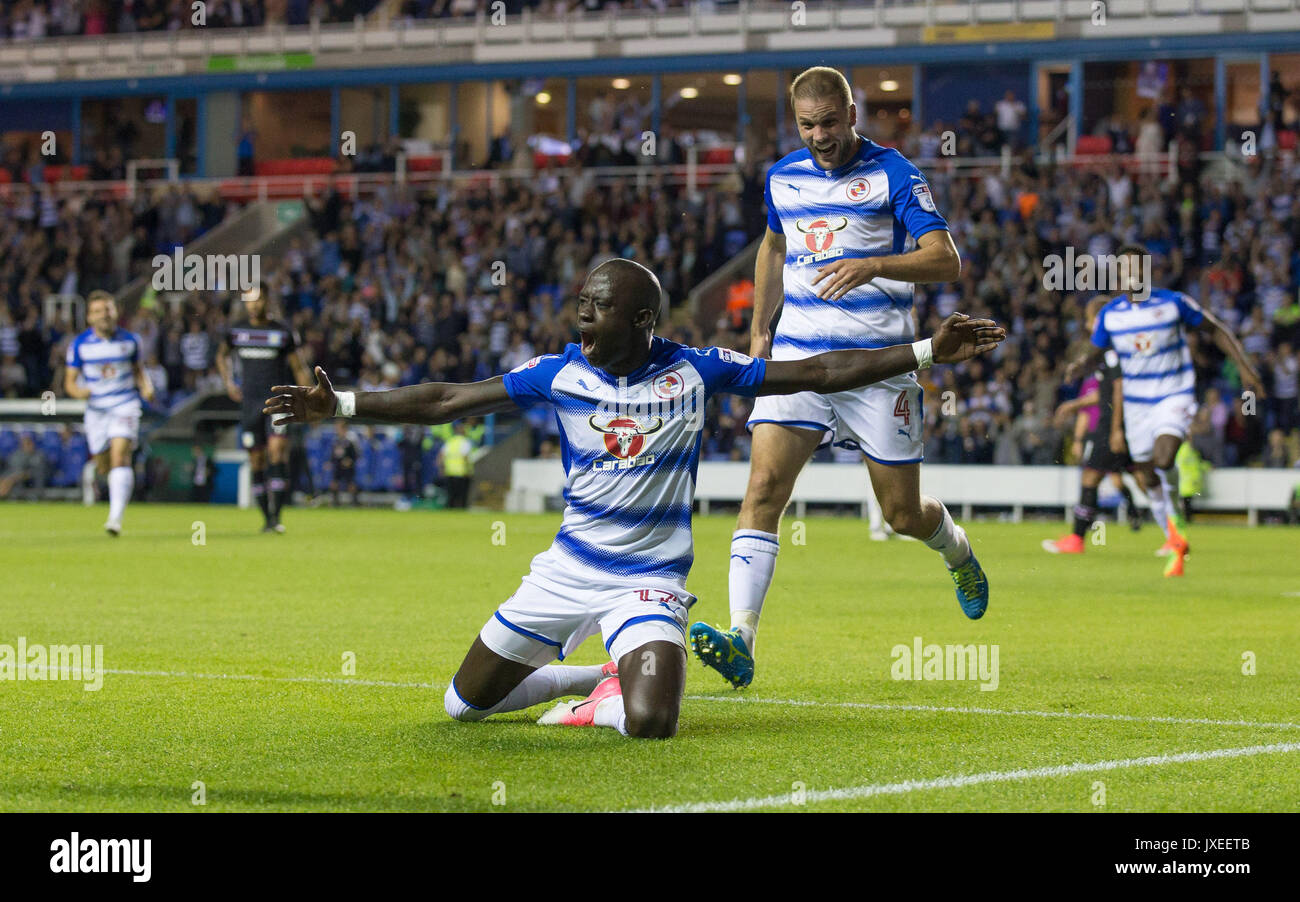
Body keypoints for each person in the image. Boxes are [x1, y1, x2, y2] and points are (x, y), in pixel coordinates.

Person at [263, 259, 1004, 738]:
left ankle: (627, 676)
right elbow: (448, 398)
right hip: (563, 572)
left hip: (647, 583)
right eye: (581, 304)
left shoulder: (699, 371)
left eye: (596, 307)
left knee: (652, 724)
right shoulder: (559, 373)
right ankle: (595, 676)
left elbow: (817, 371)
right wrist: (346, 405)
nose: (580, 317)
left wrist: (926, 351)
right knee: (464, 708)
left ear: (642, 321)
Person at [690, 66, 984, 692]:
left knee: (902, 515)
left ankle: (957, 551)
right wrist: (760, 329)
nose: (820, 135)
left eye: (830, 122)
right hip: (800, 360)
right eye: (807, 125)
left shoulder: (894, 173)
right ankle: (741, 638)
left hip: (880, 368)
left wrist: (873, 262)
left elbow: (946, 259)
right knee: (764, 489)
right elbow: (773, 246)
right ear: (795, 124)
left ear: (853, 115)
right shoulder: (783, 178)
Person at [1067, 244, 1264, 577]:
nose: (1131, 275)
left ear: (1147, 272)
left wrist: (1244, 368)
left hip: (1174, 394)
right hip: (1136, 406)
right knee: (1145, 473)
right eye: (1125, 269)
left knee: (1163, 457)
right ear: (1118, 275)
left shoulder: (1173, 303)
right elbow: (1096, 353)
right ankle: (1176, 535)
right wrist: (1080, 365)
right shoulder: (1112, 316)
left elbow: (1215, 329)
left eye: (1137, 268)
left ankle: (1176, 522)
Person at [1043, 297, 1142, 554]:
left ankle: (1076, 539)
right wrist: (1073, 406)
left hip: (1111, 426)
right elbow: (1107, 392)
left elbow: (1118, 389)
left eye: (1089, 319)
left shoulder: (1109, 352)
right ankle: (1173, 530)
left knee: (1092, 476)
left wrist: (1117, 428)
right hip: (1120, 424)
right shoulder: (1109, 352)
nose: (1087, 326)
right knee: (1144, 477)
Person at [216, 283, 310, 533]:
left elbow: (299, 367)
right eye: (248, 300)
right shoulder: (236, 331)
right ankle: (266, 517)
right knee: (256, 459)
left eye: (257, 299)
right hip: (249, 404)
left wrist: (308, 399)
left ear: (268, 300)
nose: (253, 305)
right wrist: (228, 382)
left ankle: (277, 517)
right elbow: (221, 355)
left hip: (277, 401)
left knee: (277, 452)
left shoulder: (282, 332)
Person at [63, 290, 154, 535]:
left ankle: (115, 519)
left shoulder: (130, 340)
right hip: (96, 411)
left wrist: (146, 387)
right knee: (104, 466)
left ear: (116, 312)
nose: (104, 315)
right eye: (98, 311)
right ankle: (107, 487)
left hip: (125, 404)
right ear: (90, 318)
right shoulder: (80, 345)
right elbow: (69, 382)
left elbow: (138, 370)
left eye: (108, 309)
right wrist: (79, 392)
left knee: (120, 456)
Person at [0, 433, 48, 500]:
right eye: (24, 444)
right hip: (16, 475)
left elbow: (35, 471)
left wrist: (15, 476)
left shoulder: (39, 455)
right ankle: (3, 495)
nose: (27, 446)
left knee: (11, 479)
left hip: (30, 476)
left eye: (28, 443)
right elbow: (13, 467)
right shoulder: (17, 454)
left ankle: (3, 496)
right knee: (5, 478)